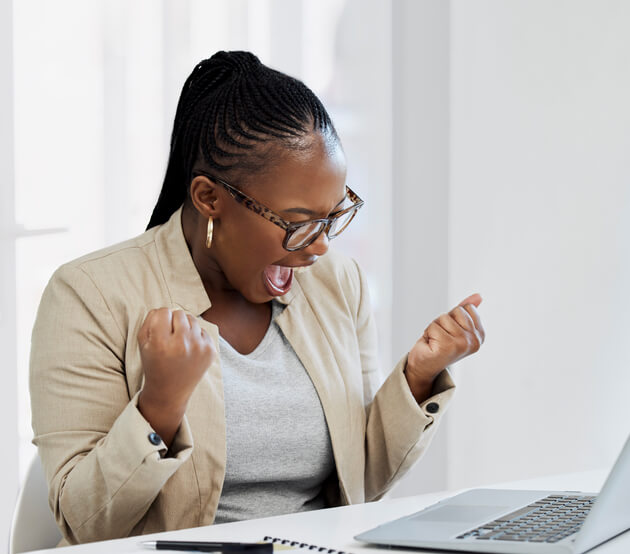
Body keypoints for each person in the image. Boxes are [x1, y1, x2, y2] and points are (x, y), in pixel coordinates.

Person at [29, 51, 485, 546]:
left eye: (333, 216)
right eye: (296, 222)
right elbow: (84, 525)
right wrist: (159, 405)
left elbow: (362, 485)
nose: (320, 245)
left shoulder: (337, 284)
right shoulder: (89, 294)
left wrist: (419, 376)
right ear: (209, 198)